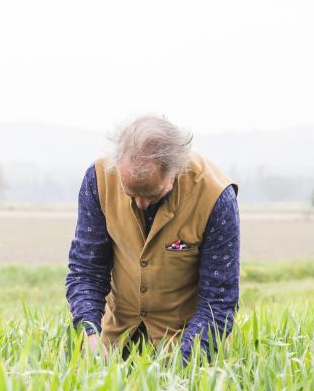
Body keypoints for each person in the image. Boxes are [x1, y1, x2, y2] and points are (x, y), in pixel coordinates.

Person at [65, 114, 239, 361]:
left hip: (185, 341)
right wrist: (90, 333)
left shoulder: (215, 196)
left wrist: (183, 363)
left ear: (176, 171)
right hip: (115, 338)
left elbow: (219, 300)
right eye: (131, 194)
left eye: (152, 195)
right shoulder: (99, 179)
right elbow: (87, 270)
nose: (141, 204)